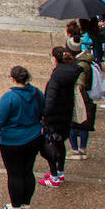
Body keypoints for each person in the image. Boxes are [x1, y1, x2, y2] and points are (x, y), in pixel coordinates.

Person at [0, 66, 45, 209]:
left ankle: (15, 206)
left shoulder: (9, 98)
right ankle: (26, 204)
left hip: (12, 141)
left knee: (15, 173)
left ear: (12, 79)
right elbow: (43, 110)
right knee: (28, 171)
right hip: (34, 136)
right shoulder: (37, 93)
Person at [40, 47, 81, 187]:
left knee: (50, 145)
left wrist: (43, 115)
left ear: (55, 58)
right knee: (60, 144)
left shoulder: (57, 76)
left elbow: (50, 101)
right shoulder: (71, 72)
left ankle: (54, 177)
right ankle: (60, 172)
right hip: (66, 114)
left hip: (54, 118)